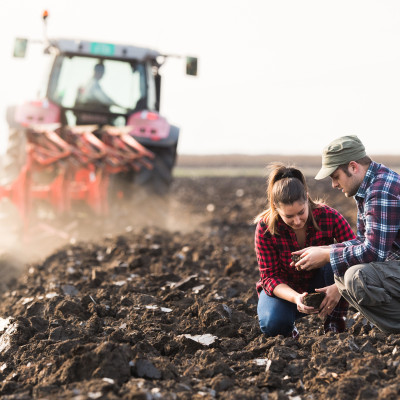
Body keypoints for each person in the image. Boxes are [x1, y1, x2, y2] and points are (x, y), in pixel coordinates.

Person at [292, 135, 400, 334]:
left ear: (353, 167)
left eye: (335, 176)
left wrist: (326, 256)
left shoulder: (381, 191)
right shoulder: (370, 185)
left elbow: (373, 252)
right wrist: (326, 249)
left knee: (355, 277)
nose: (333, 184)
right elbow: (363, 241)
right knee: (344, 271)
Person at [255, 163, 356, 338]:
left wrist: (338, 287)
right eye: (289, 216)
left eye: (301, 212)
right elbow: (269, 277)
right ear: (275, 208)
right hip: (286, 289)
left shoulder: (329, 216)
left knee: (337, 257)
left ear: (307, 198)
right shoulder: (265, 228)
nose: (297, 221)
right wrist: (296, 298)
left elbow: (357, 251)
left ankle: (334, 322)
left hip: (323, 283)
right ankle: (289, 329)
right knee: (272, 324)